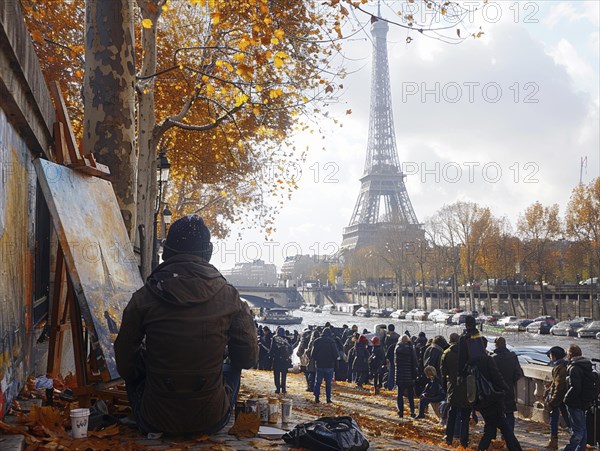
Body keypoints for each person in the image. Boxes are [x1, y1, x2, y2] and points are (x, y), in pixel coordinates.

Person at [114, 215, 258, 436]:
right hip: (211, 418)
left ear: (167, 252)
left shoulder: (144, 297)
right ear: (208, 253)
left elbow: (124, 361)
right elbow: (247, 358)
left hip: (155, 419)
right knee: (232, 368)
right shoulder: (230, 297)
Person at [467, 334, 522, 451]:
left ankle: (483, 448)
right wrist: (506, 388)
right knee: (505, 426)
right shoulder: (489, 359)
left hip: (483, 399)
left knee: (491, 427)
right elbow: (498, 378)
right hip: (495, 397)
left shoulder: (470, 363)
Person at [441, 332, 471, 448]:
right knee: (465, 417)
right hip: (466, 389)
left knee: (452, 414)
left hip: (453, 388)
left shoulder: (447, 353)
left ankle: (449, 438)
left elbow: (443, 373)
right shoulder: (468, 353)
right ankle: (464, 441)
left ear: (450, 340)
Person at [563, 344, 594, 451]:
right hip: (584, 401)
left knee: (577, 430)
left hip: (575, 402)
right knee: (583, 429)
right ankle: (580, 449)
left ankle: (569, 449)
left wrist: (566, 398)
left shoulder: (574, 367)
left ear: (570, 354)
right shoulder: (586, 365)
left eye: (567, 353)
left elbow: (575, 387)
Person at [491, 337, 523, 434]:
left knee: (495, 413)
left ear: (496, 345)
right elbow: (519, 373)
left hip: (496, 389)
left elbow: (490, 375)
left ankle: (494, 434)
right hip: (509, 388)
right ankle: (509, 435)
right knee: (509, 413)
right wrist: (511, 381)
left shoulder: (493, 358)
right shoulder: (513, 356)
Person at [544, 346, 571, 449]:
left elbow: (559, 386)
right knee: (563, 419)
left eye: (550, 355)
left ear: (554, 356)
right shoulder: (562, 365)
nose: (550, 357)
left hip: (560, 399)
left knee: (557, 420)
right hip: (562, 398)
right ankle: (553, 441)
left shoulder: (560, 368)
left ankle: (554, 442)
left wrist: (552, 400)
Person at [311, 327, 339, 403]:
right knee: (328, 383)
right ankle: (328, 398)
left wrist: (317, 359)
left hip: (319, 364)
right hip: (329, 365)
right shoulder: (332, 342)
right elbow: (336, 355)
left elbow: (312, 354)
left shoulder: (317, 341)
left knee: (318, 382)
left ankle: (316, 397)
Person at [395, 335, 418, 418]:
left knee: (400, 394)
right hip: (409, 375)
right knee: (410, 395)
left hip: (399, 375)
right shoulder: (411, 349)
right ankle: (412, 412)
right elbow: (415, 362)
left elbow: (395, 362)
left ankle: (400, 412)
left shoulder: (397, 349)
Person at [269, 327, 293, 394]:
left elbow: (272, 349)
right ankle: (284, 388)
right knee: (284, 375)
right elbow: (291, 349)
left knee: (276, 374)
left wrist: (270, 356)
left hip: (277, 359)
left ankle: (278, 388)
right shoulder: (288, 339)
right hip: (285, 359)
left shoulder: (274, 338)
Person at [384, 324, 401, 390]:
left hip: (389, 355)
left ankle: (389, 385)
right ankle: (393, 385)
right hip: (396, 355)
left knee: (390, 371)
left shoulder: (387, 336)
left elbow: (385, 344)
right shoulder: (398, 336)